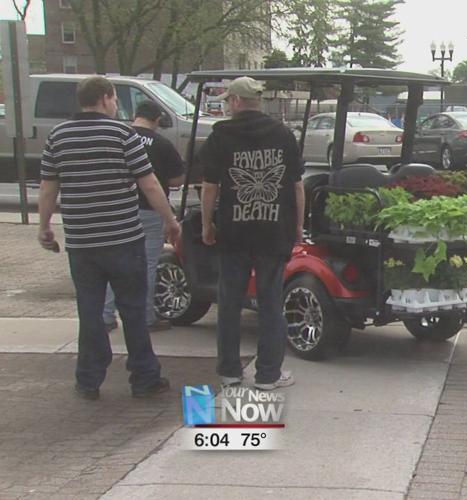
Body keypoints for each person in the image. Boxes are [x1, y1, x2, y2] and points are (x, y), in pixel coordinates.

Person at [37, 76, 180, 400]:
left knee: (89, 312)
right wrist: (170, 220)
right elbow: (149, 184)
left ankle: (88, 379)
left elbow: (48, 187)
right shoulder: (122, 134)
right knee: (132, 310)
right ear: (104, 98)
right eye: (115, 99)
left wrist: (44, 226)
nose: (117, 106)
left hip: (82, 242)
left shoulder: (57, 136)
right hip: (123, 239)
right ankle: (144, 376)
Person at [200, 76, 305, 390]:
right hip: (274, 232)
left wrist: (207, 224)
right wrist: (298, 226)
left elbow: (210, 187)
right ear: (258, 101)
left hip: (234, 232)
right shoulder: (283, 135)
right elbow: (297, 186)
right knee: (271, 302)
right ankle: (268, 374)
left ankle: (231, 372)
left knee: (230, 302)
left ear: (234, 101)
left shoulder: (220, 136)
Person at [103, 100, 185, 333]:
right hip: (150, 211)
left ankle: (106, 316)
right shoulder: (161, 143)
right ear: (157, 120)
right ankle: (146, 317)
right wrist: (170, 219)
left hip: (118, 211)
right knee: (147, 265)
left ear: (135, 115)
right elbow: (176, 180)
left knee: (113, 265)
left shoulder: (119, 137)